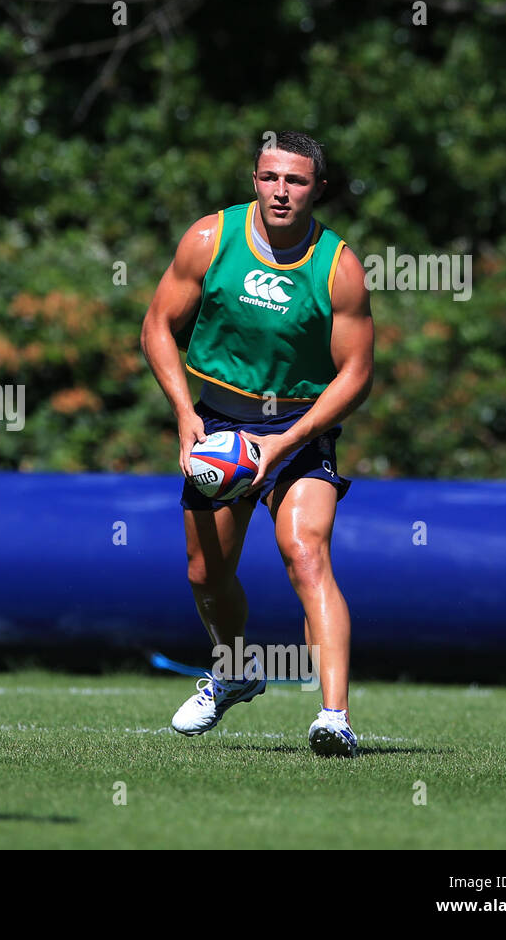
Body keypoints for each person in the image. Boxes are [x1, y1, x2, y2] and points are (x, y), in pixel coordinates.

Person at [140, 132, 374, 757]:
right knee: (205, 573)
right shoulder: (210, 240)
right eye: (270, 177)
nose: (281, 191)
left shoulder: (338, 265)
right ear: (254, 180)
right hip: (217, 426)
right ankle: (236, 670)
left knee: (306, 553)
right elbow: (157, 326)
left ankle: (334, 717)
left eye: (295, 181)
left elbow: (356, 374)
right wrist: (186, 415)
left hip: (298, 433)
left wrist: (286, 443)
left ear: (317, 188)